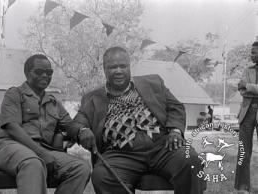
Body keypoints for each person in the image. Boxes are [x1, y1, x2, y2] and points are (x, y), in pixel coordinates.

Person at [72, 46, 205, 194]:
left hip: (163, 147)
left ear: (129, 67)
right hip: (120, 154)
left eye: (122, 66)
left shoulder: (153, 83)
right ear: (104, 69)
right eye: (112, 67)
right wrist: (82, 130)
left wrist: (175, 130)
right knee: (102, 176)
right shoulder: (92, 98)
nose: (118, 71)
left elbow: (175, 107)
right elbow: (77, 122)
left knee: (190, 161)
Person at [0, 54, 90, 194]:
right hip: (9, 147)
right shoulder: (15, 94)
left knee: (81, 168)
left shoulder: (54, 103)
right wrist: (41, 153)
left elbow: (71, 126)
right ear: (27, 73)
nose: (45, 75)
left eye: (49, 72)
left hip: (43, 150)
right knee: (33, 162)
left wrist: (82, 130)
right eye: (39, 71)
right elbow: (13, 128)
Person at [235, 41, 258, 194]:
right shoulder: (247, 70)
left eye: (254, 52)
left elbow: (245, 87)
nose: (251, 55)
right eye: (251, 52)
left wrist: (249, 87)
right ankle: (242, 188)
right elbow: (240, 89)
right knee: (244, 150)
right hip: (247, 112)